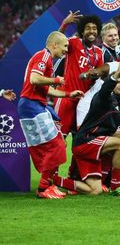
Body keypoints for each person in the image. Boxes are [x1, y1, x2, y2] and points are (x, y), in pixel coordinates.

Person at [17, 31, 84, 199]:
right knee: (56, 145)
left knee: (55, 145)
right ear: (55, 45)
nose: (66, 50)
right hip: (31, 106)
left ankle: (49, 185)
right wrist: (56, 80)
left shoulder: (47, 59)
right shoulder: (43, 56)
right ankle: (43, 187)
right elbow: (34, 79)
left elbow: (48, 89)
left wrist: (69, 94)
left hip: (35, 105)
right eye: (65, 46)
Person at [72, 62, 120, 196]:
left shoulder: (115, 104)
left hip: (88, 144)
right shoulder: (103, 97)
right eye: (118, 82)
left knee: (94, 190)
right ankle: (116, 187)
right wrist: (115, 74)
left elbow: (119, 117)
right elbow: (105, 88)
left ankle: (57, 181)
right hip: (85, 140)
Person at [55, 11, 103, 136]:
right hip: (66, 97)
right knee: (59, 138)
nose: (91, 31)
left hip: (82, 102)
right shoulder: (74, 43)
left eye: (94, 28)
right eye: (88, 28)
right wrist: (65, 23)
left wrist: (95, 74)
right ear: (82, 31)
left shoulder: (98, 52)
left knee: (79, 140)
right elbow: (56, 41)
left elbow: (100, 74)